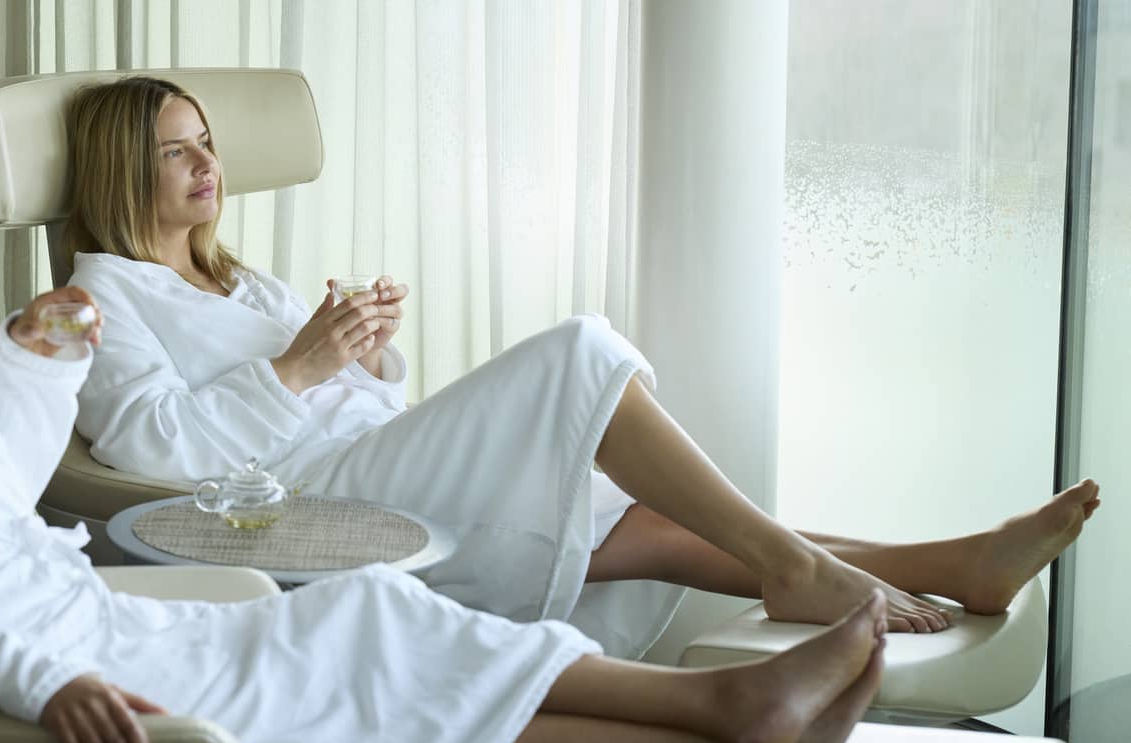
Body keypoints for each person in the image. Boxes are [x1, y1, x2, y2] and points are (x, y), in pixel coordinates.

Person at [0, 16, 892, 743]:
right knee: (372, 665)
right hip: (69, 653)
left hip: (91, 619)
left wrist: (31, 367)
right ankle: (740, 715)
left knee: (379, 624)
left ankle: (742, 716)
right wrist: (41, 684)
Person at [64, 76, 1102, 653]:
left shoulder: (240, 282)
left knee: (645, 523)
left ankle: (945, 565)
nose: (209, 164)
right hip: (295, 511)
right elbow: (153, 450)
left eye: (206, 142)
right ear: (123, 167)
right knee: (581, 352)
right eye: (176, 150)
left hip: (365, 461)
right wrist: (298, 368)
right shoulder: (100, 296)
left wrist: (360, 354)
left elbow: (340, 390)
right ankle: (801, 568)